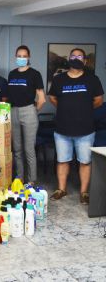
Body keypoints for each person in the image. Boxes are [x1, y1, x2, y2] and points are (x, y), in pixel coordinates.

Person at [48, 48, 103, 205]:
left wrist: (83, 109)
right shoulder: (59, 79)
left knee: (85, 161)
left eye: (80, 56)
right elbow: (52, 97)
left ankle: (84, 192)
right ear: (69, 59)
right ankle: (61, 189)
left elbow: (98, 100)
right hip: (62, 129)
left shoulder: (92, 79)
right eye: (73, 56)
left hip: (85, 130)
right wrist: (66, 107)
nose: (76, 58)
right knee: (62, 160)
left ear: (84, 61)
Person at [6, 45, 46, 186]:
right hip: (13, 111)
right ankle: (19, 178)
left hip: (29, 110)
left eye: (24, 56)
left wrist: (34, 111)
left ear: (29, 57)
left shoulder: (34, 74)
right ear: (15, 57)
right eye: (19, 56)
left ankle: (31, 180)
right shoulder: (12, 74)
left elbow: (42, 98)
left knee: (29, 149)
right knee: (16, 149)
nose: (21, 58)